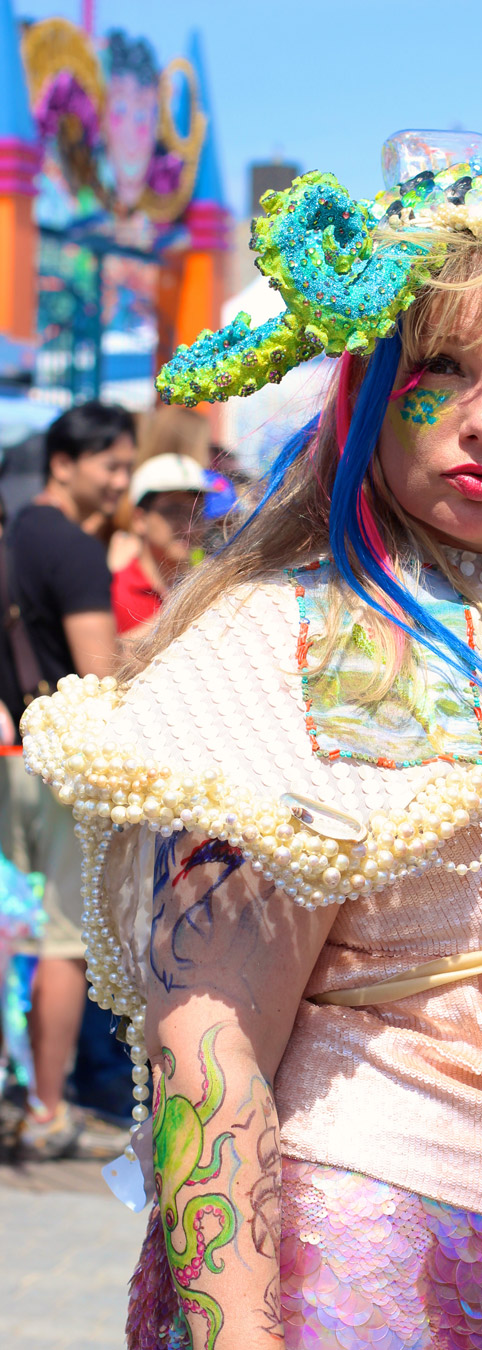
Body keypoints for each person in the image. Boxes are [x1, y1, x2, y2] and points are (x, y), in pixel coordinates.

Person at [21, 134, 482, 1348]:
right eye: (443, 368)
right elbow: (210, 1038)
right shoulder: (305, 633)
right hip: (362, 1262)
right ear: (370, 385)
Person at [4, 400, 136, 1158]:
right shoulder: (75, 552)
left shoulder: (15, 533)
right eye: (109, 464)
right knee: (62, 939)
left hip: (8, 759)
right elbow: (99, 674)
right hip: (55, 766)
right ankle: (49, 1107)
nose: (120, 480)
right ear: (64, 462)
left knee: (8, 935)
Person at [111, 453, 207, 639]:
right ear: (139, 519)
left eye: (197, 513)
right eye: (173, 511)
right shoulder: (113, 591)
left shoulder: (202, 586)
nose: (189, 525)